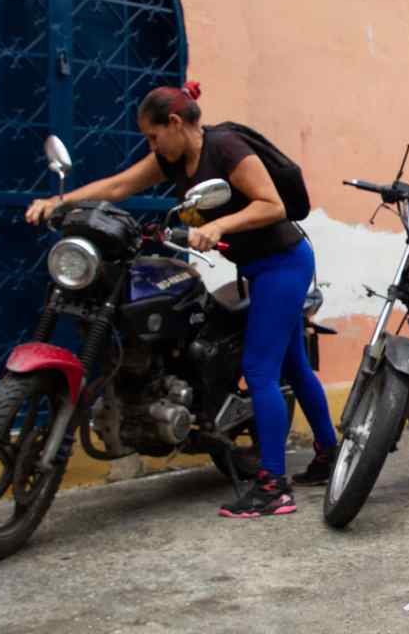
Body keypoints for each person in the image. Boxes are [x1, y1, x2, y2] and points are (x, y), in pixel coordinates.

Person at [25, 82, 340, 518]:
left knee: (260, 369)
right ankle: (328, 454)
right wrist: (59, 201)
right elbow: (118, 187)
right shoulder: (172, 161)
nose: (151, 146)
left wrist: (219, 226)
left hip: (284, 264)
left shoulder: (226, 149)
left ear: (174, 124)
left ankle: (273, 487)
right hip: (256, 268)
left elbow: (272, 206)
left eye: (153, 136)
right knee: (292, 365)